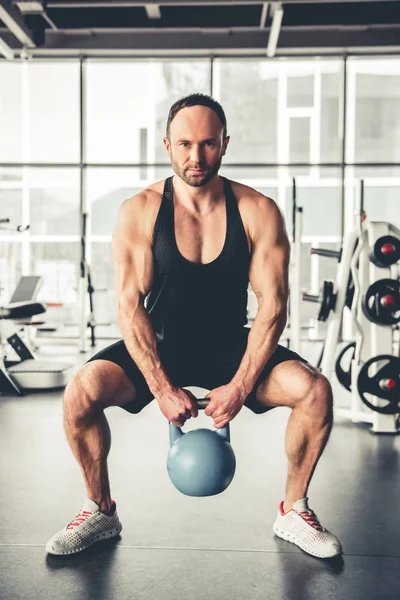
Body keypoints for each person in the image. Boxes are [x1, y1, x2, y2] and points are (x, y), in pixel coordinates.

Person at [46, 93, 342, 559]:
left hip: (232, 346)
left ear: (225, 144)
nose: (196, 156)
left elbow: (273, 306)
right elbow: (128, 306)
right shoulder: (140, 210)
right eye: (185, 144)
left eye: (207, 144)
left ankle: (294, 509)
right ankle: (100, 510)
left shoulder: (258, 211)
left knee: (315, 391)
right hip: (160, 344)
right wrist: (161, 387)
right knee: (80, 391)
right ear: (167, 145)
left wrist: (241, 386)